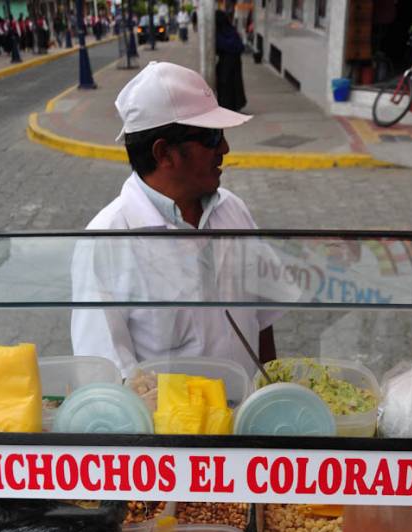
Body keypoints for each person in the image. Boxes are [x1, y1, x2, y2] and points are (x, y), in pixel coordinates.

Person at [71, 61, 279, 377]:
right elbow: (106, 373)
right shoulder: (106, 240)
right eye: (212, 137)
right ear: (164, 153)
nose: (224, 147)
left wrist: (271, 394)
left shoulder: (233, 211)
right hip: (172, 425)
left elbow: (263, 320)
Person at [215, 9, 246, 112]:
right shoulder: (230, 29)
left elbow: (220, 45)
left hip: (226, 60)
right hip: (235, 59)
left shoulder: (219, 32)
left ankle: (227, 105)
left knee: (225, 82)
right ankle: (235, 104)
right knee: (235, 82)